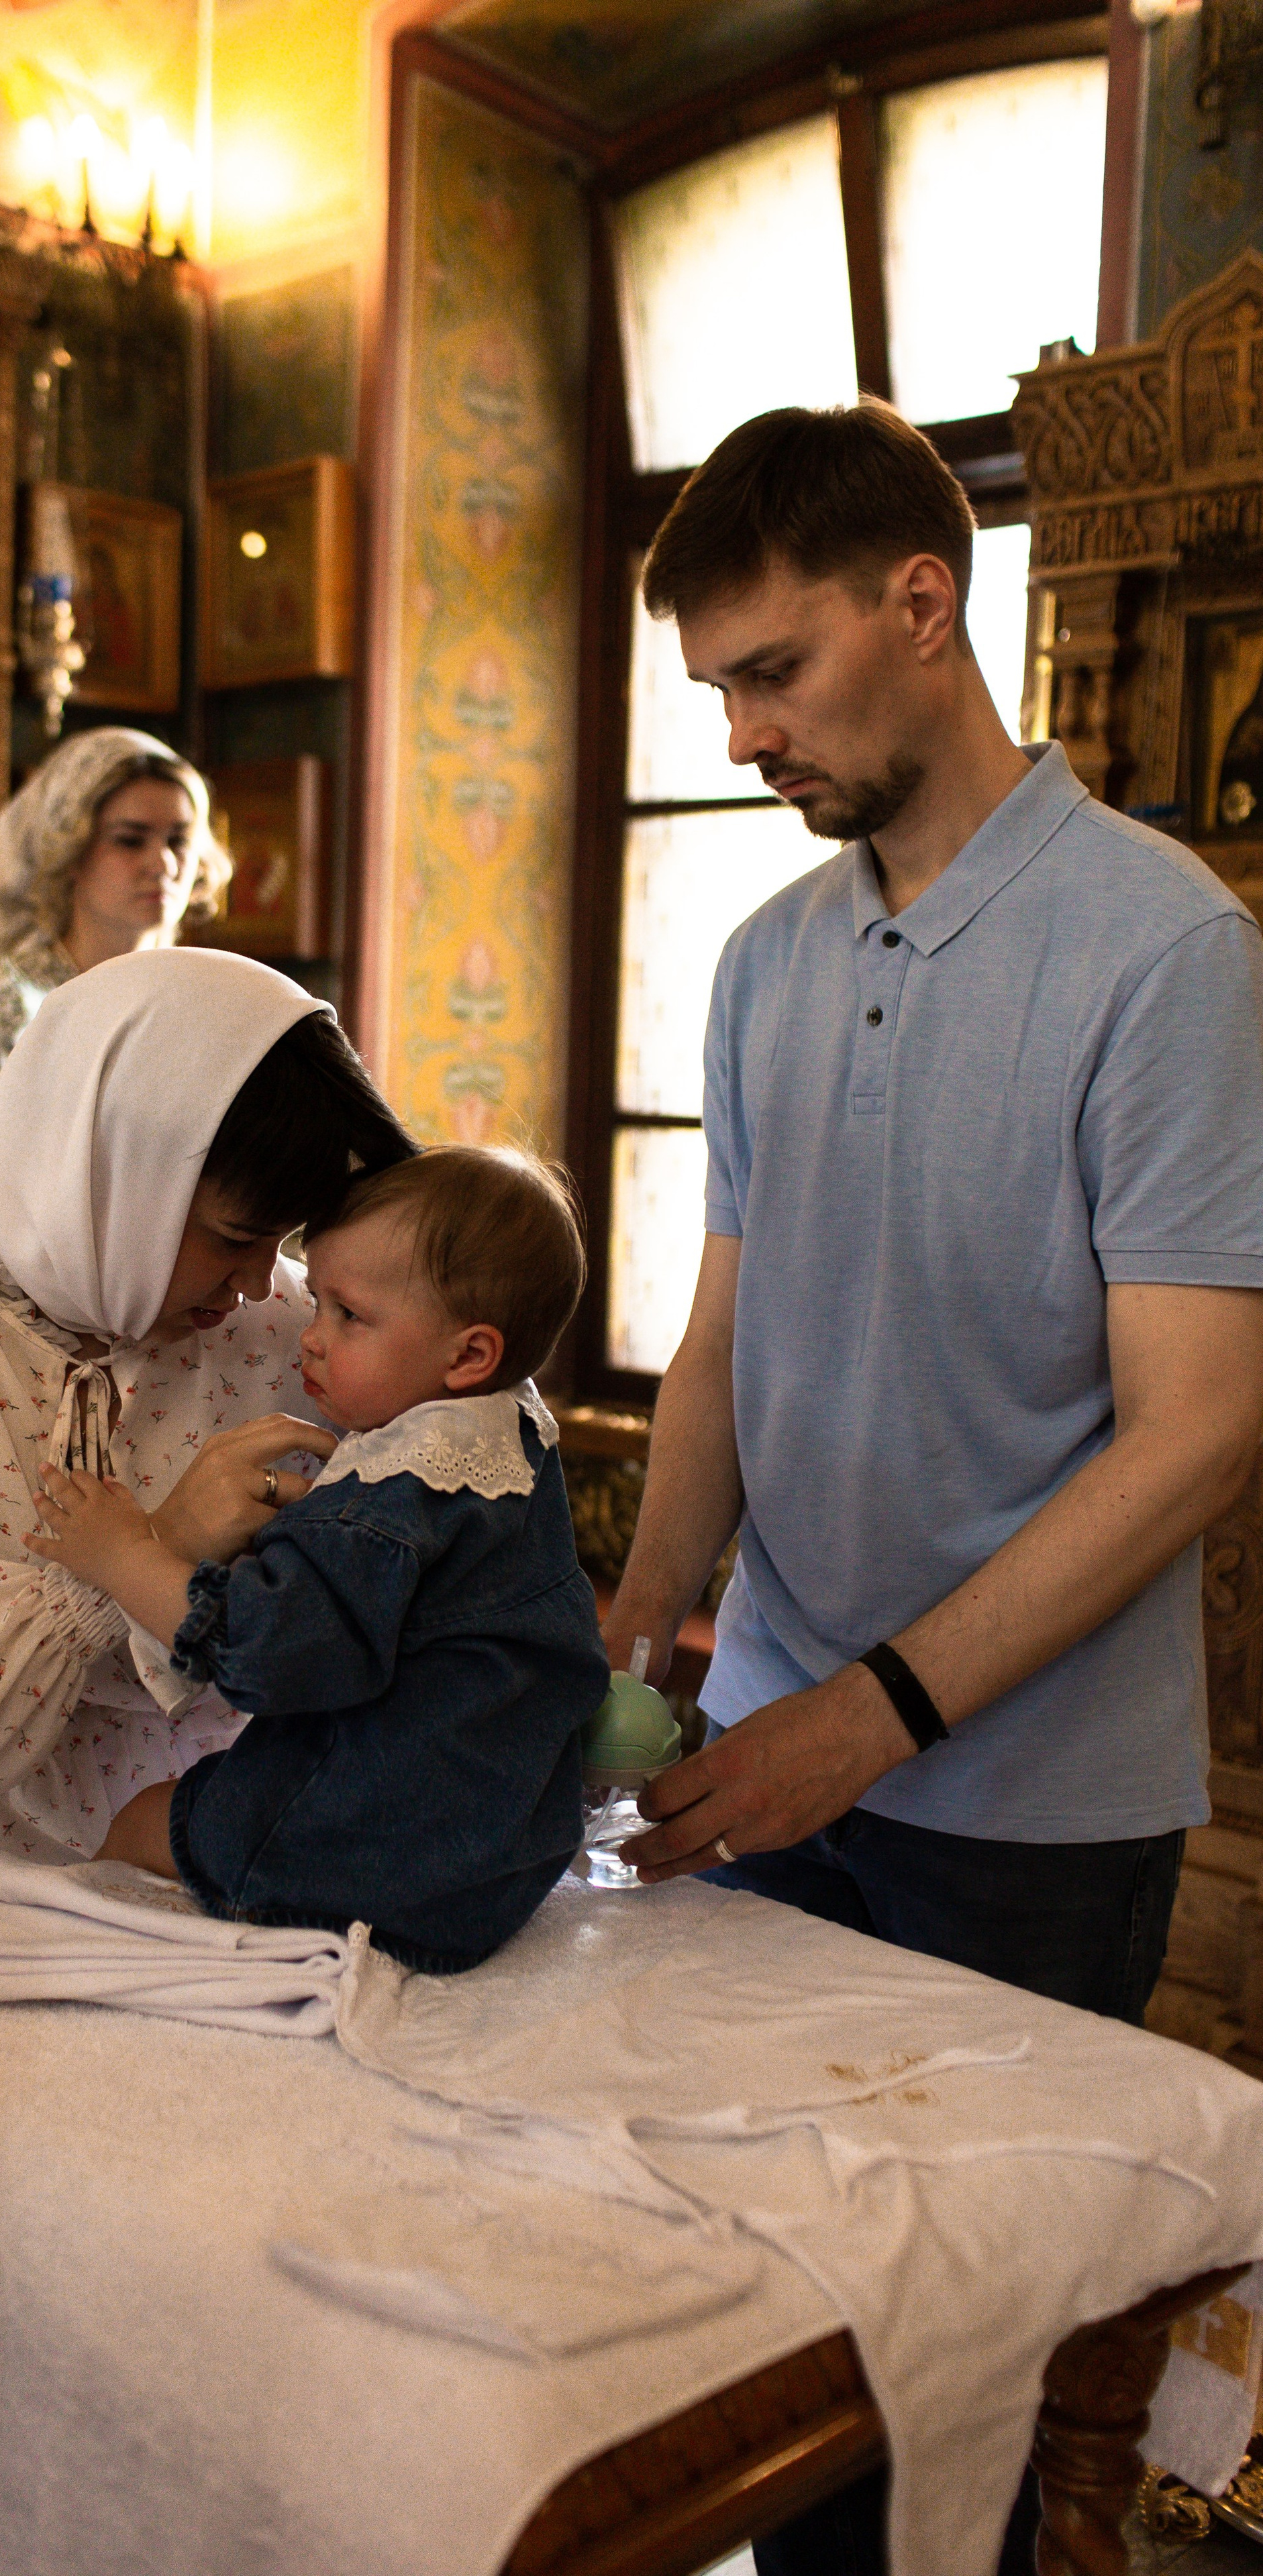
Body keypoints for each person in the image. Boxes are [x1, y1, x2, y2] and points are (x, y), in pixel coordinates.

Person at [599, 401, 1263, 2575]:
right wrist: (640, 1618)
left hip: (1030, 1817)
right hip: (769, 1743)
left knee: (978, 2406)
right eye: (717, 692)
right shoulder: (765, 961)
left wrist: (866, 1719)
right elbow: (726, 1338)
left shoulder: (1165, 951)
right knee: (784, 2355)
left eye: (771, 673)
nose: (743, 735)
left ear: (921, 602)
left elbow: (1199, 1427)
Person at [0, 947, 413, 2005]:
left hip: (192, 1867)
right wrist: (149, 1554)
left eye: (280, 1241)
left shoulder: (293, 1324)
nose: (256, 1283)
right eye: (235, 1237)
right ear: (113, 1174)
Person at [26, 1146, 609, 1971]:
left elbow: (263, 1653)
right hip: (503, 1860)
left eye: (348, 1316)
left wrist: (121, 1554)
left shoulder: (389, 1495)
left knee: (142, 1823)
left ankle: (74, 1986)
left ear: (468, 1356)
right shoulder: (512, 1442)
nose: (311, 1339)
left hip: (367, 1845)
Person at [0, 728, 232, 1144]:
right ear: (72, 851)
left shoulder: (202, 1003)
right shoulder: (3, 1000)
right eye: (130, 840)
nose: (163, 864)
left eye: (179, 841)